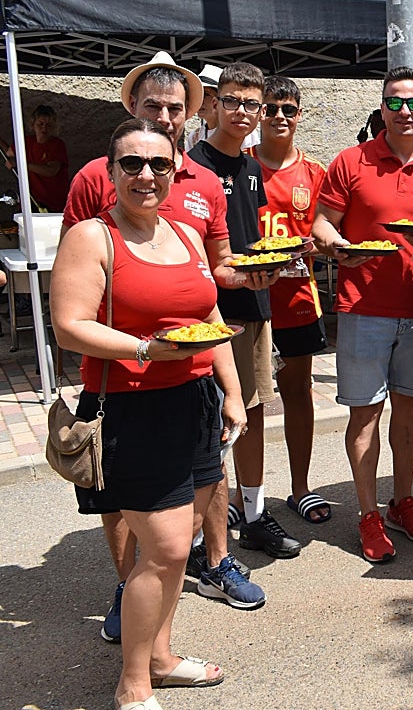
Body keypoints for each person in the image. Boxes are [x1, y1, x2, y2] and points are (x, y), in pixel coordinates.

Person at [62, 51, 264, 629]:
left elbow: (213, 282)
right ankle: (130, 591)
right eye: (153, 105)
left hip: (196, 375)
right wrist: (140, 346)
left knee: (207, 477)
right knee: (125, 499)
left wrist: (251, 275)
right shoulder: (93, 180)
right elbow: (76, 288)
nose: (167, 115)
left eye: (176, 108)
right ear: (131, 107)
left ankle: (217, 562)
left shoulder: (203, 182)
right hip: (122, 383)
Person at [51, 119, 245, 710]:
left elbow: (209, 323)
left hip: (193, 401)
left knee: (179, 544)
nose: (145, 175)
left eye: (158, 165)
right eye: (131, 164)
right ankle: (133, 684)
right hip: (131, 409)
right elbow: (71, 325)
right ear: (109, 172)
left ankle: (160, 657)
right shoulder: (93, 236)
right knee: (162, 549)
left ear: (174, 171)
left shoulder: (186, 233)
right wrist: (144, 349)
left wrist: (230, 391)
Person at [313, 66, 413, 562]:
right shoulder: (351, 161)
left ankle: (403, 501)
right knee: (365, 415)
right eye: (394, 102)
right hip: (364, 309)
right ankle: (367, 514)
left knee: (410, 412)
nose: (404, 111)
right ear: (382, 108)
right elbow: (321, 223)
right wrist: (338, 247)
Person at [189, 63, 296, 559]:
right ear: (213, 103)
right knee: (211, 423)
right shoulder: (193, 166)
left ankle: (251, 513)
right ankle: (196, 534)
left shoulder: (252, 167)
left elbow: (249, 242)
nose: (242, 112)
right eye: (232, 100)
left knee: (250, 416)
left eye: (251, 104)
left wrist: (273, 265)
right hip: (207, 313)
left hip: (253, 305)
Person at [247, 76, 330, 525]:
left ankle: (301, 487)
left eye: (289, 109)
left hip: (298, 299)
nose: (279, 116)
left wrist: (322, 243)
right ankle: (249, 498)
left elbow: (327, 227)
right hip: (249, 300)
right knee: (248, 401)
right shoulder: (239, 167)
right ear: (259, 113)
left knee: (297, 392)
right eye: (271, 108)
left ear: (300, 115)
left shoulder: (314, 173)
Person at [2, 104, 69, 212]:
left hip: (53, 202)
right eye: (40, 124)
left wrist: (22, 164)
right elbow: (8, 153)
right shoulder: (27, 142)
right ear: (33, 125)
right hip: (32, 200)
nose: (44, 128)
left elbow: (51, 170)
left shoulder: (57, 144)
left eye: (48, 125)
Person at [185, 64, 260, 152]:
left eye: (206, 95)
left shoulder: (242, 131)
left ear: (217, 102)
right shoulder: (195, 136)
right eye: (198, 94)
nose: (200, 100)